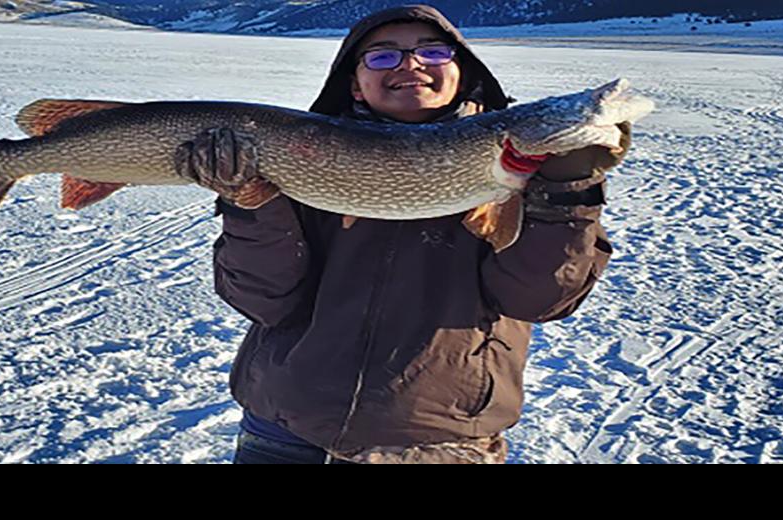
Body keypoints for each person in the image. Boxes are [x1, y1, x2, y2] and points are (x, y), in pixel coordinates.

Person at [172, 4, 628, 464]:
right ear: (354, 81)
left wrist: (567, 195)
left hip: (439, 444)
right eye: (383, 56)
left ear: (461, 69)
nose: (410, 65)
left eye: (432, 52)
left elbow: (538, 299)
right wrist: (252, 204)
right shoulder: (299, 157)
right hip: (284, 431)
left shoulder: (531, 175)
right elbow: (265, 300)